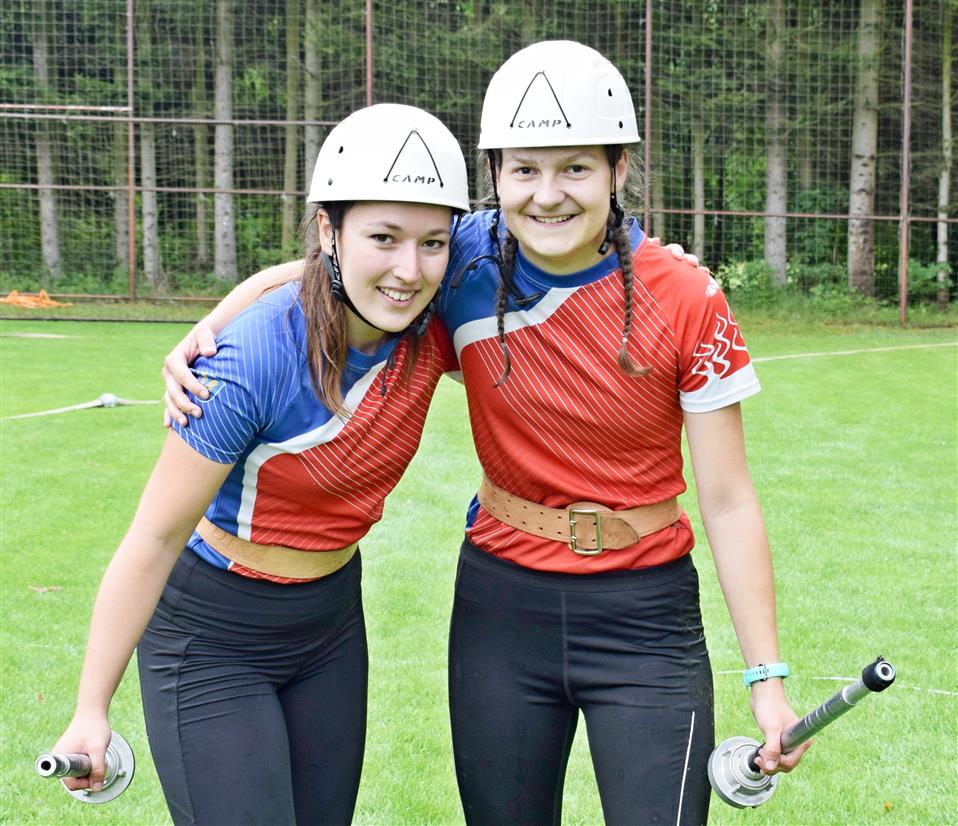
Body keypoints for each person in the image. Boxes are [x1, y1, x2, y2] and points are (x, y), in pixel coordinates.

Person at [163, 41, 808, 825]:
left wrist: (766, 679)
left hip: (646, 615)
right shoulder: (460, 256)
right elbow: (327, 272)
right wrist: (209, 329)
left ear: (619, 170)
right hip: (502, 611)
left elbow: (729, 500)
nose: (548, 194)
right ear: (495, 173)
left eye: (576, 168)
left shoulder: (688, 297)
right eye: (524, 169)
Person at [50, 103, 470, 825]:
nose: (409, 269)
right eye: (382, 237)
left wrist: (656, 260)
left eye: (432, 242)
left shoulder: (434, 310)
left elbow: (560, 229)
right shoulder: (251, 357)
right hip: (211, 633)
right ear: (328, 231)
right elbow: (153, 538)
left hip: (330, 624)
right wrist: (91, 709)